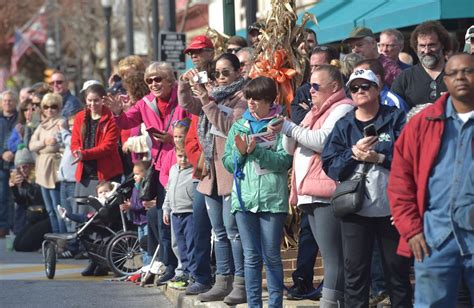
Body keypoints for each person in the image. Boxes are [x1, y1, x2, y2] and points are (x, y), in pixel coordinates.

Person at [388, 53, 474, 307]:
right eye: (454, 73)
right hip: (433, 238)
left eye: (468, 71)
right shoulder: (422, 124)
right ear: (444, 80)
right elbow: (399, 181)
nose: (460, 77)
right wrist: (411, 230)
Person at [321, 69, 412, 307]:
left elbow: (410, 157)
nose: (360, 91)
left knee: (398, 275)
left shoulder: (395, 118)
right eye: (354, 88)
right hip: (355, 210)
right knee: (355, 276)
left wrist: (379, 157)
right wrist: (353, 153)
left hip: (392, 209)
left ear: (378, 87)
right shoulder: (344, 125)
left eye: (365, 86)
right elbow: (330, 165)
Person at [273, 65, 354, 307]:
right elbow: (291, 150)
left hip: (327, 192)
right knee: (329, 255)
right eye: (309, 86)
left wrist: (290, 128)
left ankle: (330, 302)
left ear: (335, 87)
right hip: (309, 192)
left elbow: (323, 142)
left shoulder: (343, 108)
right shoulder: (313, 112)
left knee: (333, 256)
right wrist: (286, 130)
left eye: (316, 86)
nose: (311, 91)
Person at [106, 61, 189, 285]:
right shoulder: (145, 104)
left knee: (182, 220)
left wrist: (174, 139)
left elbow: (194, 127)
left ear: (170, 80)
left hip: (184, 168)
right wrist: (116, 113)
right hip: (162, 169)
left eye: (158, 79)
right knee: (163, 220)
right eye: (149, 80)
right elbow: (126, 121)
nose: (153, 83)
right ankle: (169, 265)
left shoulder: (182, 99)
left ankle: (187, 268)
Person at [179, 52, 247, 304]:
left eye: (225, 72)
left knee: (233, 231)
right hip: (210, 172)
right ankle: (222, 281)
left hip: (230, 173)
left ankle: (241, 283)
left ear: (238, 72)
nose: (220, 77)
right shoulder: (215, 94)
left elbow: (231, 127)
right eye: (216, 73)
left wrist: (207, 99)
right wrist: (184, 85)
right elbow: (189, 106)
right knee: (218, 231)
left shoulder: (243, 96)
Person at [222, 76, 292, 307]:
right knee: (251, 257)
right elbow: (227, 162)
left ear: (270, 100)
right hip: (244, 200)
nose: (251, 103)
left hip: (272, 199)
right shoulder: (238, 125)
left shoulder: (280, 125)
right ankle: (254, 304)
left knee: (271, 256)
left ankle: (274, 304)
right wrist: (240, 154)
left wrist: (257, 152)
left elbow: (284, 162)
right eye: (249, 98)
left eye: (257, 99)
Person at [71, 83, 123, 202]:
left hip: (106, 173)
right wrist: (77, 152)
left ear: (103, 100)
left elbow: (108, 146)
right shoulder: (80, 117)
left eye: (96, 100)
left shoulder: (111, 118)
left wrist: (84, 154)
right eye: (90, 100)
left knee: (103, 214)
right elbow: (74, 141)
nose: (92, 104)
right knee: (84, 214)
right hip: (85, 173)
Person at [391, 20, 451, 109]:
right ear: (416, 47)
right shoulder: (405, 78)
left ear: (442, 45)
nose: (426, 51)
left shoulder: (455, 74)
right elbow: (393, 112)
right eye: (422, 46)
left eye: (431, 45)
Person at [29, 93, 66, 234]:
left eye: (53, 106)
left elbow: (55, 145)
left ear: (59, 108)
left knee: (58, 208)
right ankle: (55, 238)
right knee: (50, 209)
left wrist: (44, 146)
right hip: (42, 169)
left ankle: (63, 238)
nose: (50, 110)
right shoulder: (42, 125)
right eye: (46, 107)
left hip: (54, 168)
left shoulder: (61, 122)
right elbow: (31, 145)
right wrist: (44, 142)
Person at [162, 143, 197, 290]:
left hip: (189, 213)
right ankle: (183, 270)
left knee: (191, 244)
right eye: (180, 156)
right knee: (178, 244)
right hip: (175, 213)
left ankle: (193, 273)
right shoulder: (173, 170)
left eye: (186, 156)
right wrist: (166, 209)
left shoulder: (194, 171)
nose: (183, 159)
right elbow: (169, 191)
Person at [9, 145, 50, 252]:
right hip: (33, 219)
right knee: (16, 245)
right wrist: (14, 189)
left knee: (23, 246)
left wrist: (26, 184)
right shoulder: (23, 180)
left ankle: (46, 244)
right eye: (19, 168)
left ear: (32, 165)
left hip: (45, 218)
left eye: (25, 166)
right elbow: (22, 203)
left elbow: (38, 198)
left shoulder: (37, 177)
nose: (22, 170)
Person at [291, 45, 340, 125]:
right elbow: (297, 120)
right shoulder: (303, 91)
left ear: (333, 65)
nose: (312, 71)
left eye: (317, 66)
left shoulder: (348, 88)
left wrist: (310, 112)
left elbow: (339, 119)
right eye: (311, 66)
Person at [119, 160, 150, 264]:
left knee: (147, 245)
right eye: (134, 174)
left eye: (137, 174)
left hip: (145, 220)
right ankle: (144, 266)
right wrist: (130, 205)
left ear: (145, 174)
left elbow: (143, 204)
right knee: (142, 246)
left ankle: (148, 266)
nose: (134, 176)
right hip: (139, 221)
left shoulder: (145, 187)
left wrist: (131, 206)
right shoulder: (135, 188)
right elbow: (134, 201)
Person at [0, 90, 18, 238]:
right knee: (2, 196)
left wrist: (14, 153)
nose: (7, 103)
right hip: (1, 164)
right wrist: (2, 153)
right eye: (5, 100)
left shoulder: (20, 118)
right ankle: (3, 227)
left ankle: (16, 227)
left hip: (18, 163)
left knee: (17, 198)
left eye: (10, 100)